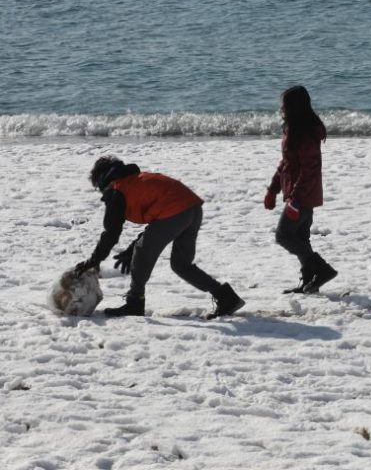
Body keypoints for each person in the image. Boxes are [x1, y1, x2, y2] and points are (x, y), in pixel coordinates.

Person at [74, 156, 245, 318]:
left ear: (103, 180)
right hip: (192, 208)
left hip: (176, 211)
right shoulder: (137, 180)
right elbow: (157, 217)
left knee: (141, 253)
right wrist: (132, 247)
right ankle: (226, 297)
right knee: (181, 264)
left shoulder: (118, 190)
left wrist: (93, 260)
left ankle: (135, 303)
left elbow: (111, 233)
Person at [264, 85, 337, 293]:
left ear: (294, 107)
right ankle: (308, 281)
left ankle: (322, 270)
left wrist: (295, 199)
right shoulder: (293, 129)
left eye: (284, 105)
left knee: (284, 235)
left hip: (303, 197)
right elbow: (286, 163)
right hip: (299, 195)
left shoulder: (305, 134)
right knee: (301, 239)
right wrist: (273, 189)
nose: (280, 108)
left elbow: (309, 170)